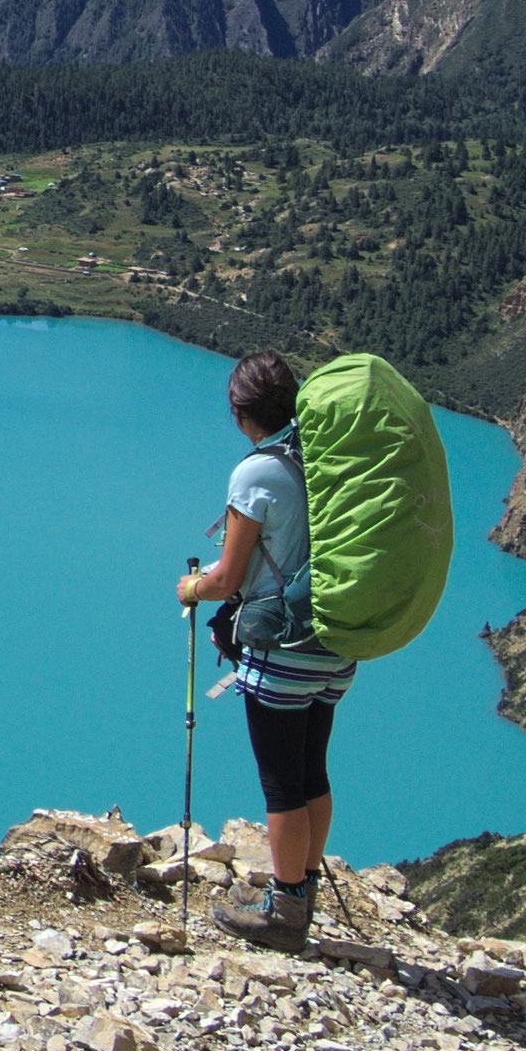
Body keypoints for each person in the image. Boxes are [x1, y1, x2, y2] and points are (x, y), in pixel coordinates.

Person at [171, 349, 355, 948]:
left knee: (280, 782)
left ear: (239, 411)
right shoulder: (321, 455)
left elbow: (227, 578)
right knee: (311, 770)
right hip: (334, 640)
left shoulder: (255, 474)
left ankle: (285, 912)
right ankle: (299, 887)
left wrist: (191, 589)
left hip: (282, 649)